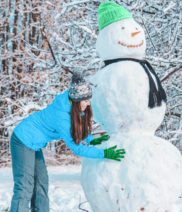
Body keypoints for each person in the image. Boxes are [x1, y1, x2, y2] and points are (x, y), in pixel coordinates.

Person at [9, 71, 126, 212]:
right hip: (22, 139)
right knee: (25, 186)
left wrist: (91, 140)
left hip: (35, 143)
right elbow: (77, 149)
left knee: (41, 183)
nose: (89, 104)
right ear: (77, 101)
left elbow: (78, 127)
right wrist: (105, 153)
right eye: (86, 101)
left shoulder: (71, 103)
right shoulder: (63, 117)